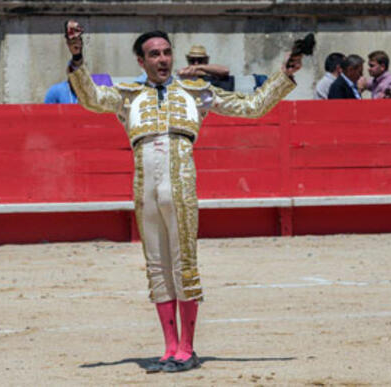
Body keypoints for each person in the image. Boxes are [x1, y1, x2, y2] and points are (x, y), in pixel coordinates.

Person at [65, 22, 302, 373]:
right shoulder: (127, 95)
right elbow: (90, 97)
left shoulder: (196, 92)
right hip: (145, 186)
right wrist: (77, 57)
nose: (163, 59)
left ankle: (187, 349)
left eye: (166, 52)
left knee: (183, 263)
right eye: (154, 54)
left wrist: (284, 74)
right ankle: (169, 347)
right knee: (157, 266)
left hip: (180, 183)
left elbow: (252, 106)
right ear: (140, 61)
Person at [45, 20, 112, 104]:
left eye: (80, 73)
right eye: (73, 71)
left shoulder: (97, 90)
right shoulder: (55, 92)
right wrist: (76, 55)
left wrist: (77, 54)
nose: (77, 76)